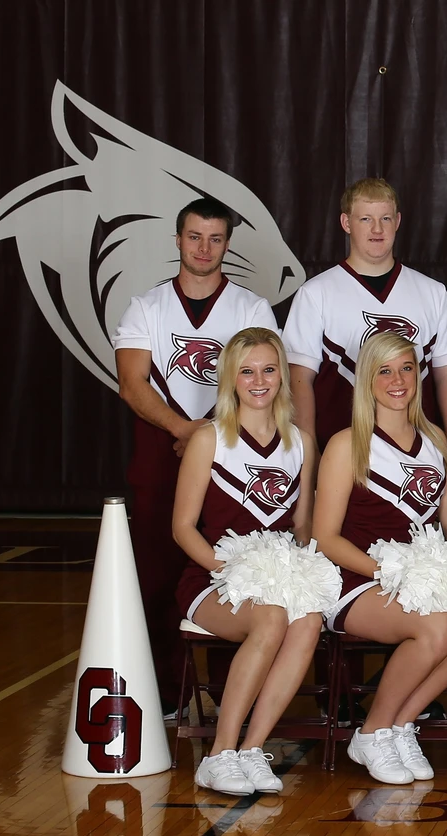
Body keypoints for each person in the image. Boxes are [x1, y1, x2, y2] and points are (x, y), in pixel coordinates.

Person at [113, 197, 279, 715]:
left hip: (234, 464)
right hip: (161, 459)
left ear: (227, 244)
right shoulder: (147, 306)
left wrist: (209, 438)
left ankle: (234, 693)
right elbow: (131, 384)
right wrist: (187, 430)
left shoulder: (251, 309)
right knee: (158, 578)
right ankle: (168, 693)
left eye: (215, 238)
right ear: (178, 240)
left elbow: (263, 383)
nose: (204, 248)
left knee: (238, 572)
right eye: (194, 237)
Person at [314, 332, 447, 785]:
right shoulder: (345, 444)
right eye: (385, 370)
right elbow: (325, 537)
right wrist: (387, 572)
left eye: (407, 368)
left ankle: (398, 723)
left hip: (417, 577)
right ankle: (371, 731)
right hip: (355, 579)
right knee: (437, 627)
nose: (398, 380)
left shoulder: (433, 439)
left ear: (419, 374)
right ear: (366, 379)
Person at [170, 328, 321, 795]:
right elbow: (182, 528)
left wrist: (304, 568)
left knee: (309, 618)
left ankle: (252, 749)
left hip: (274, 576)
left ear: (282, 375)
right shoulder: (208, 439)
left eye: (269, 369)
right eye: (247, 371)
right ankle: (218, 755)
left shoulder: (301, 442)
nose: (259, 381)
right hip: (211, 578)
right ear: (230, 379)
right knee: (273, 618)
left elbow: (300, 525)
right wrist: (228, 570)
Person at [284, 179, 447, 471]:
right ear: (346, 222)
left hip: (418, 456)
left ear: (398, 221)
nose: (377, 229)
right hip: (341, 454)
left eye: (385, 218)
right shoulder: (315, 293)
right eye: (365, 219)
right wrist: (310, 449)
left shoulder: (432, 292)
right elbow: (299, 380)